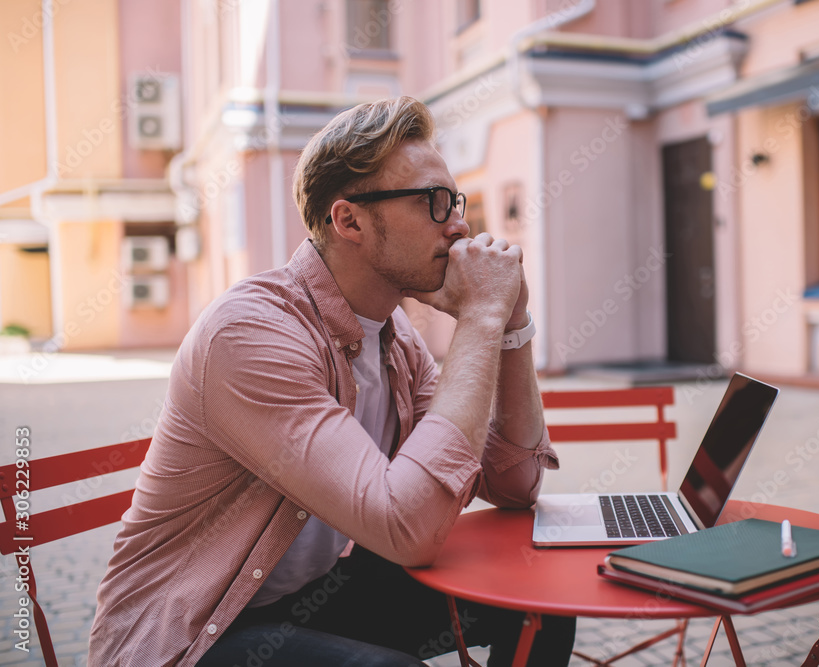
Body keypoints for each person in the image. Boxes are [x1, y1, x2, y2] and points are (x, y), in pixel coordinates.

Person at [89, 96, 576, 666]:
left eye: (456, 200)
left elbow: (514, 486)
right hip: (196, 630)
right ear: (349, 221)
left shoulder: (394, 336)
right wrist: (480, 317)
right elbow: (409, 528)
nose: (460, 224)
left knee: (539, 606)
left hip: (299, 597)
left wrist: (511, 324)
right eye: (433, 203)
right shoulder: (251, 334)